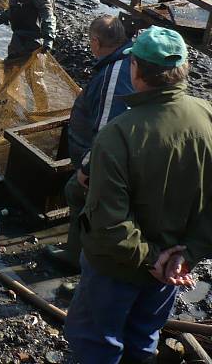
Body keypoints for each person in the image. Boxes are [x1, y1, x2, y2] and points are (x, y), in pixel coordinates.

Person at [64, 26, 212, 364]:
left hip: (118, 269)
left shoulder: (118, 135)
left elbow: (110, 226)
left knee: (96, 342)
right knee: (144, 336)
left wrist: (151, 260)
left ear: (136, 71)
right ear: (183, 69)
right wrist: (186, 255)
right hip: (172, 268)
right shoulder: (207, 116)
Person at [46, 15, 133, 271]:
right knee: (82, 200)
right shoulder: (125, 60)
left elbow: (107, 128)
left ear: (96, 42)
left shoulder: (115, 73)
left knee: (79, 195)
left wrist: (87, 167)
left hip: (99, 159)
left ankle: (80, 259)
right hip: (102, 156)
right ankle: (76, 252)